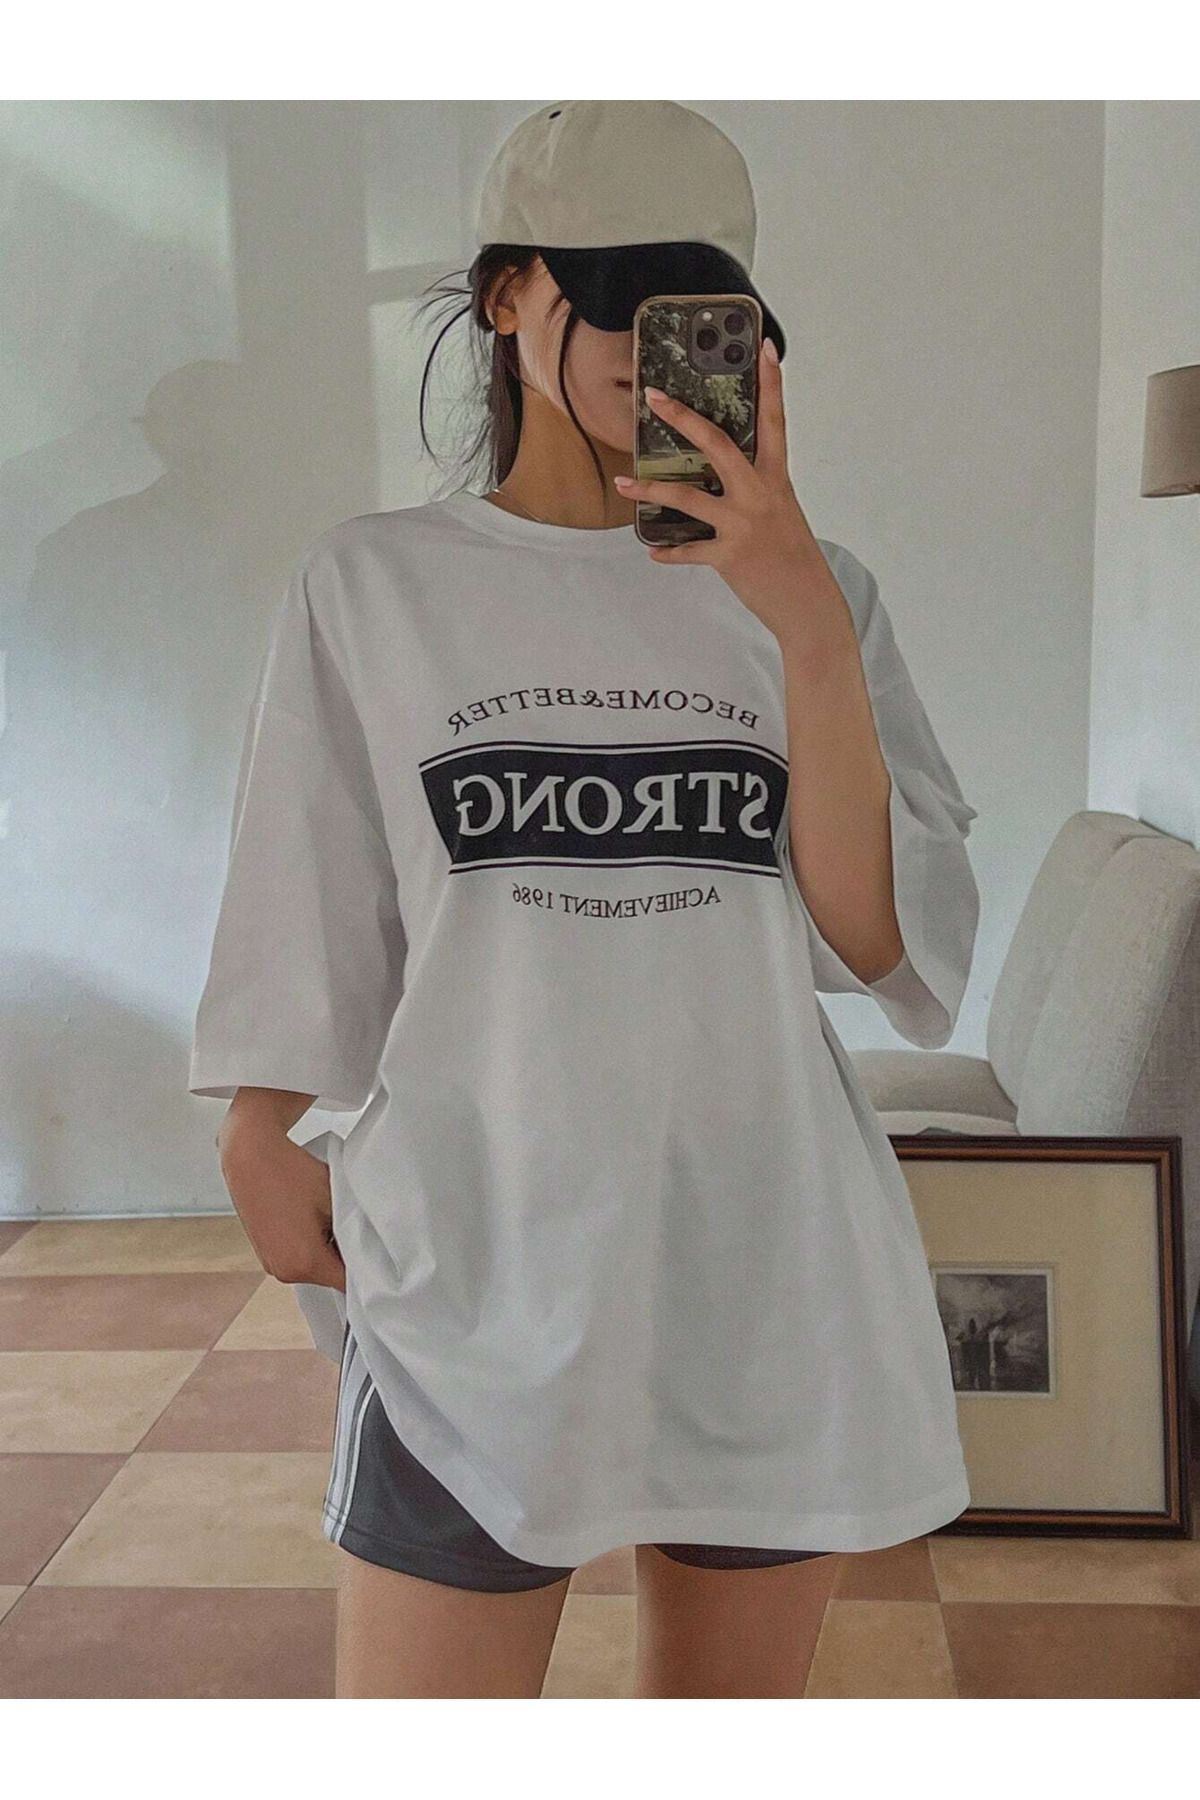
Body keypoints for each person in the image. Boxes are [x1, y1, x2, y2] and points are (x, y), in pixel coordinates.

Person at [188, 100, 981, 1699]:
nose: (640, 342)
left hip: (759, 1261)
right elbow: (308, 877)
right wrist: (256, 1122)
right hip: (473, 1262)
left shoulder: (821, 595)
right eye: (608, 291)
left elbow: (878, 942)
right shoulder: (374, 583)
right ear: (506, 296)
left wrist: (803, 626)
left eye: (691, 303)